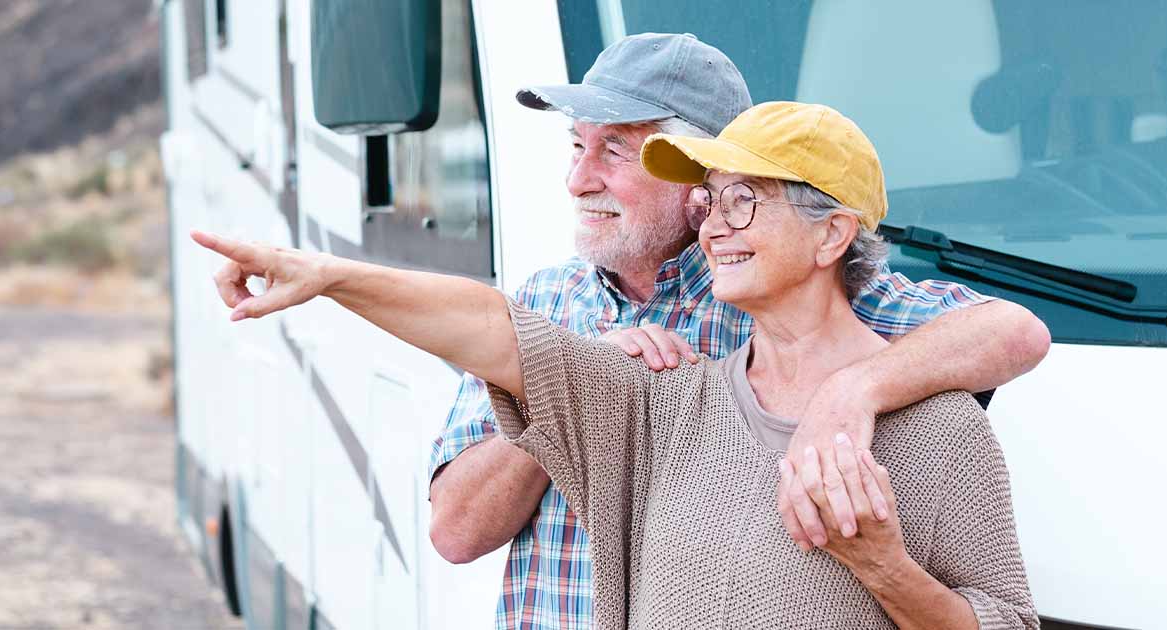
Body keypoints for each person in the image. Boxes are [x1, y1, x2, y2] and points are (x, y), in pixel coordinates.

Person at [189, 101, 1039, 629]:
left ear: (832, 233)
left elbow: (1001, 622)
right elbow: (491, 326)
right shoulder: (660, 408)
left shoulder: (941, 431)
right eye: (709, 201)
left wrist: (882, 566)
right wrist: (329, 275)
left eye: (747, 198)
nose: (712, 226)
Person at [424, 33, 1049, 629]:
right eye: (576, 146)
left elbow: (1016, 334)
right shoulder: (544, 301)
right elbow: (456, 532)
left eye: (614, 150)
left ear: (699, 178)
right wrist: (576, 388)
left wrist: (851, 391)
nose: (578, 179)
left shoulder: (790, 287)